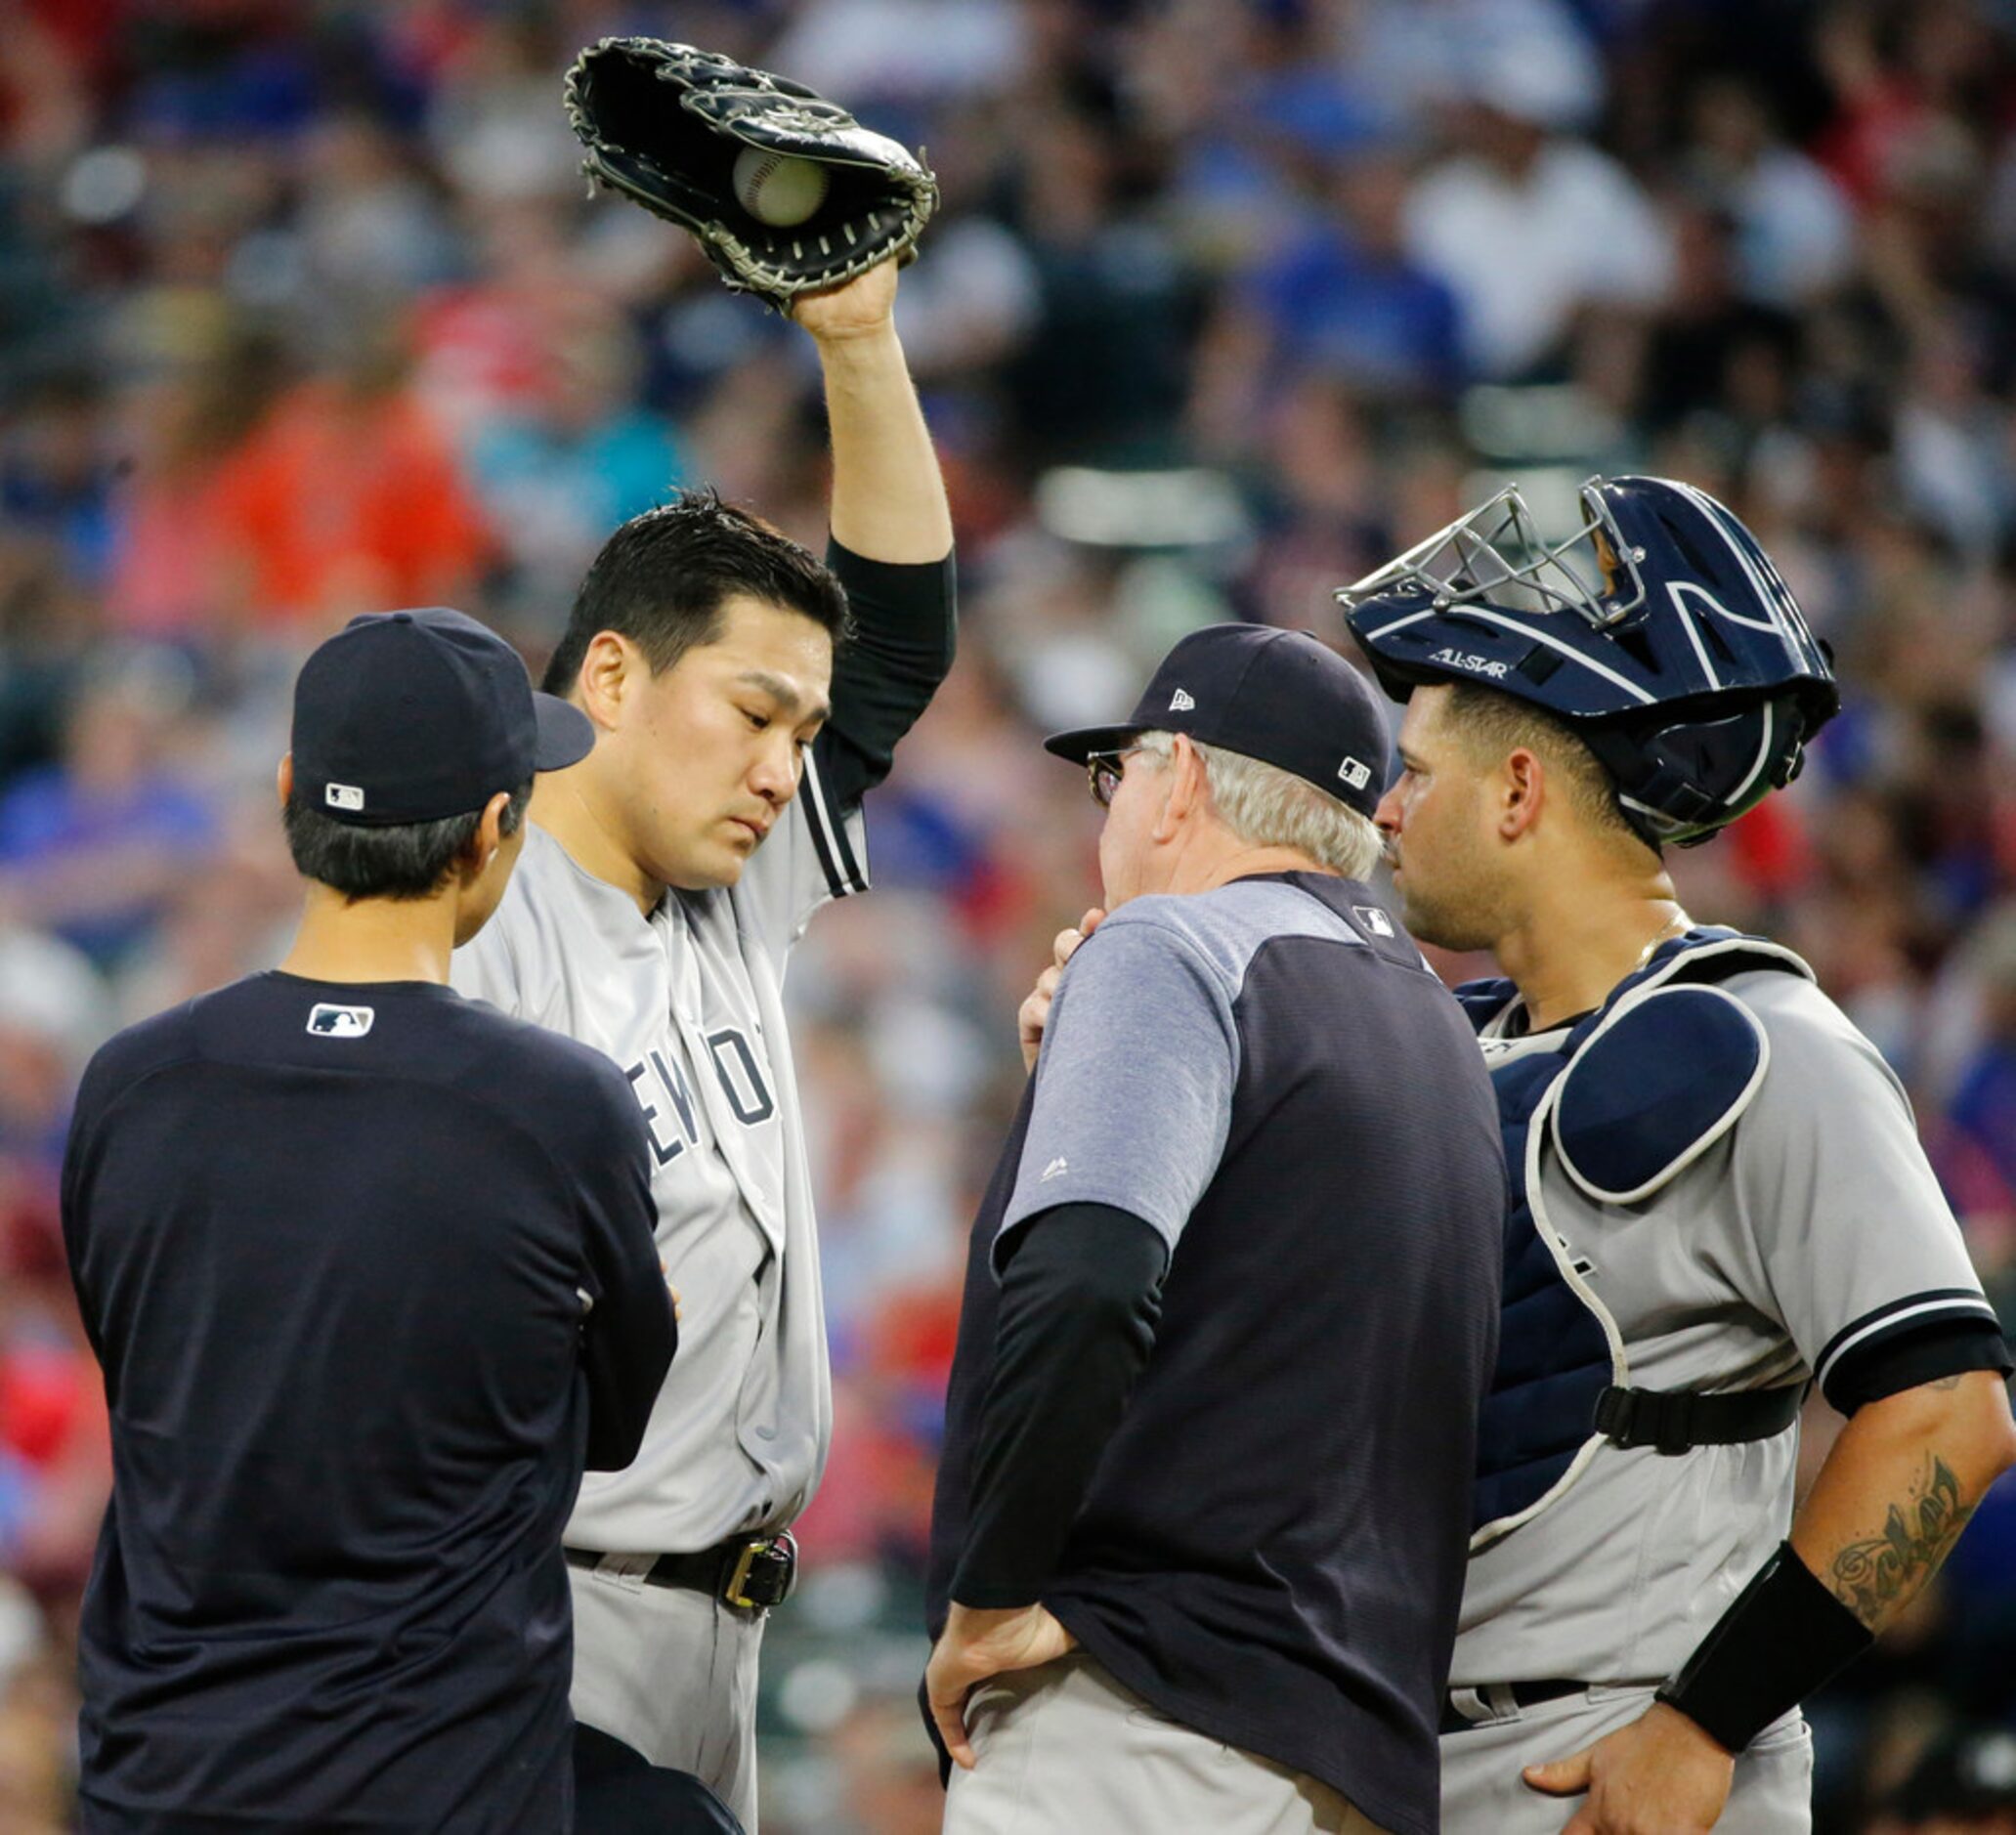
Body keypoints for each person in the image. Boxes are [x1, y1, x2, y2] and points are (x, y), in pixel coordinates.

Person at [1339, 474, 2016, 1835]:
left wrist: (1705, 1721)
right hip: (1394, 1749)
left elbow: (1947, 1413)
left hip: (1609, 1762)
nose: (1387, 811)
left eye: (1416, 772)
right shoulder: (1439, 1041)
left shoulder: (1765, 1045)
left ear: (1519, 787)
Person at [450, 254, 955, 1825]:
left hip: (717, 1622)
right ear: (609, 674)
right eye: (750, 713)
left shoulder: (730, 884)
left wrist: (859, 339)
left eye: (798, 736)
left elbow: (899, 646)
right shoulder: (476, 918)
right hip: (538, 1615)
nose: (780, 764)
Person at [62, 608, 678, 1832]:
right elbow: (616, 1419)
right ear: (500, 826)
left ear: (293, 792)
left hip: (163, 1783)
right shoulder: (555, 1110)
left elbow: (141, 1365)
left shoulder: (134, 1082)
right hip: (437, 1785)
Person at [922, 624, 1507, 1835]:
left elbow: (1085, 1282)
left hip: (1144, 1720)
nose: (1109, 812)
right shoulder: (1432, 1020)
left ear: (1178, 777)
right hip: (1352, 1742)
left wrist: (991, 1596)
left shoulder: (1167, 945)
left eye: (1116, 774)